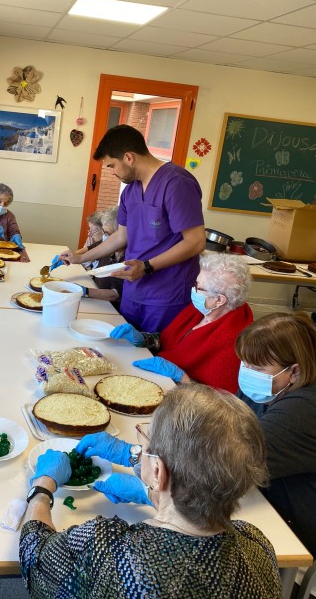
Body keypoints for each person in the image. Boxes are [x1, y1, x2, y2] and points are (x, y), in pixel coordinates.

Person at [20, 384, 281, 598]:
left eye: (143, 443)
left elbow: (35, 556)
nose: (138, 449)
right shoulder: (258, 548)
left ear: (158, 471)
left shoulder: (105, 547)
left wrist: (42, 487)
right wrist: (152, 491)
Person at [57, 125, 205, 333]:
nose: (112, 172)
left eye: (112, 165)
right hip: (133, 291)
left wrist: (147, 266)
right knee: (125, 346)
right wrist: (80, 257)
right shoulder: (130, 192)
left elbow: (196, 241)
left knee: (154, 348)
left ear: (128, 157)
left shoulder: (177, 183)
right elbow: (121, 236)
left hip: (165, 296)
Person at [110, 253, 253, 393]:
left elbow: (215, 401)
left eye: (198, 286)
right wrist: (142, 338)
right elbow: (167, 340)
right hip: (157, 379)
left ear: (219, 300)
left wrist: (181, 377)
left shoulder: (234, 344)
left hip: (179, 397)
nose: (193, 289)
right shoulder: (201, 309)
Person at [236, 312, 316, 558]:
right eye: (244, 362)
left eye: (257, 367)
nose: (247, 371)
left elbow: (229, 457)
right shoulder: (267, 387)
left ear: (294, 372)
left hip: (291, 527)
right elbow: (226, 423)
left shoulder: (304, 409)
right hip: (259, 496)